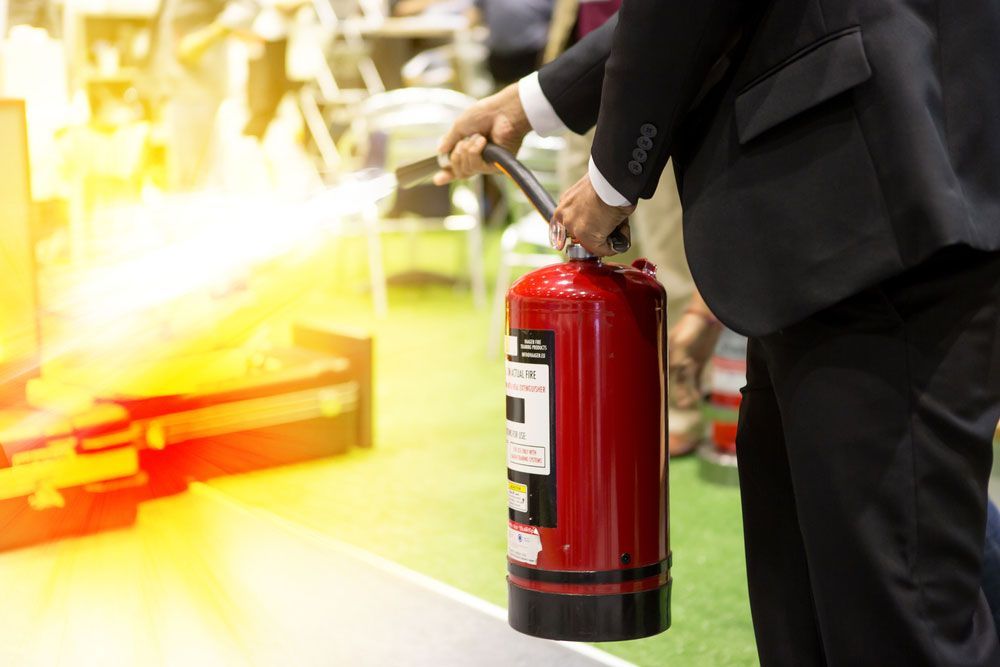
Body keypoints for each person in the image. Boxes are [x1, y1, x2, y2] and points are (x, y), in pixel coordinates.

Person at [436, 4, 1000, 665]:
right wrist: (535, 100)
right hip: (833, 217)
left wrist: (611, 180)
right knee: (813, 603)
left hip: (872, 204)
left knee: (897, 619)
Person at [543, 0, 700, 455]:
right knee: (591, 262)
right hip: (588, 81)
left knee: (666, 257)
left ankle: (679, 400)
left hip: (650, 89)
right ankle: (610, 396)